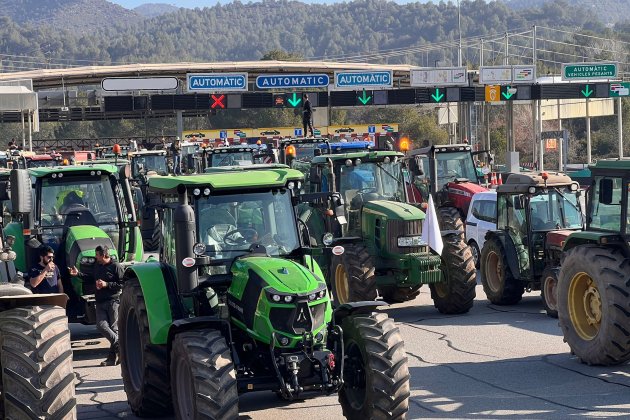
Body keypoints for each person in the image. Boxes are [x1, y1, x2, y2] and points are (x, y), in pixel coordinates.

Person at [69, 245, 123, 366]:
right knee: (101, 326)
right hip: (100, 301)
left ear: (103, 255)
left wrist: (106, 284)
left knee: (114, 330)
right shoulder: (97, 266)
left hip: (113, 301)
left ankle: (111, 358)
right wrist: (78, 274)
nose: (95, 257)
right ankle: (120, 346)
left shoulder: (116, 267)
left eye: (97, 255)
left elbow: (122, 284)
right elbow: (90, 278)